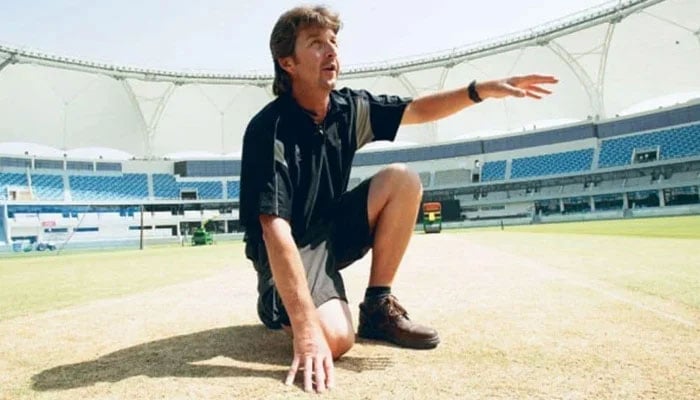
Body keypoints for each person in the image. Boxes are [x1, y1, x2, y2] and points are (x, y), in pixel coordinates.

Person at [239, 5, 557, 393]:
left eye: (334, 42)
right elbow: (274, 227)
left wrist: (480, 91)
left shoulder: (348, 108)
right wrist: (305, 329)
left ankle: (376, 307)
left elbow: (418, 109)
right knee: (336, 340)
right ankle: (276, 302)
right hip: (288, 247)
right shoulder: (267, 129)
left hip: (330, 232)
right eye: (316, 44)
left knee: (402, 180)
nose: (332, 51)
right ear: (287, 62)